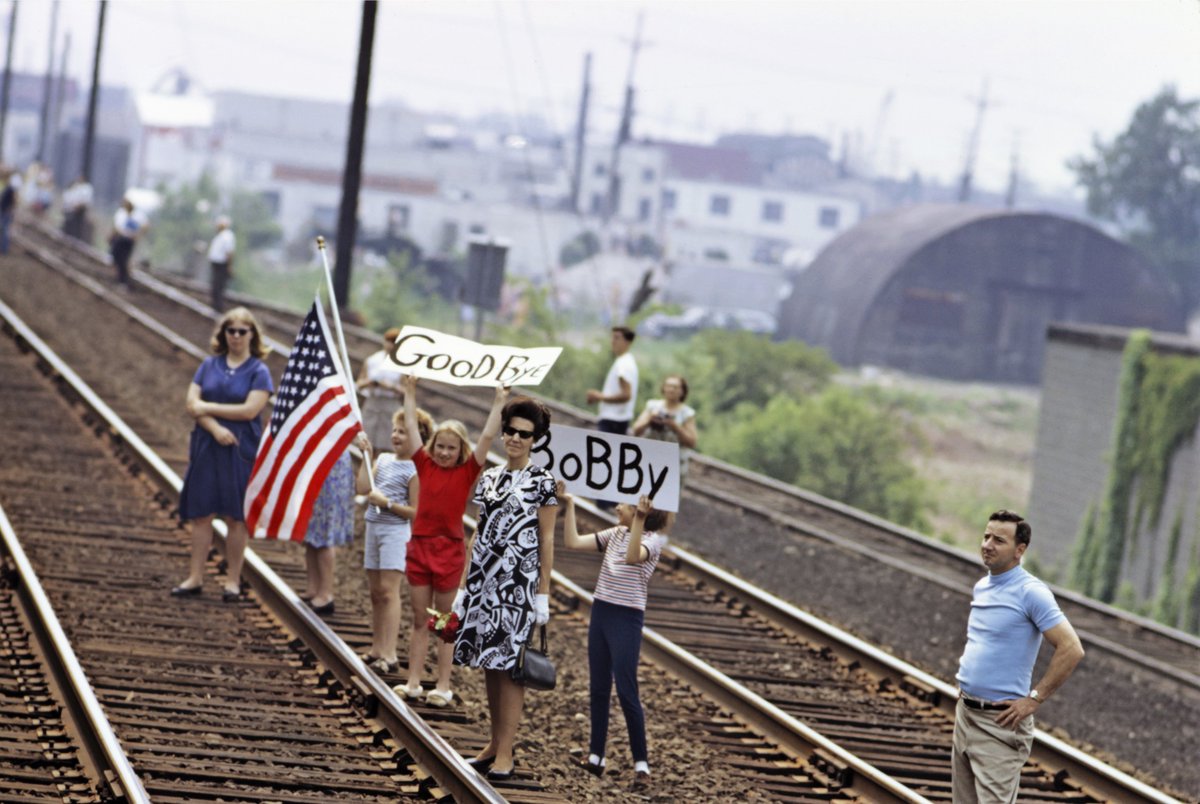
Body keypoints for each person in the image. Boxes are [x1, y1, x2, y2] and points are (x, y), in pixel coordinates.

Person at [452, 396, 559, 782]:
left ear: (535, 439)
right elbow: (478, 532)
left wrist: (543, 593)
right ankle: (494, 743)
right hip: (483, 584)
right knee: (489, 662)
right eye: (510, 431)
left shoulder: (543, 482)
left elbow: (547, 539)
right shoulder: (491, 478)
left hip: (517, 586)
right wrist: (464, 586)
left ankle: (507, 752)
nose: (515, 438)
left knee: (511, 667)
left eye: (524, 434)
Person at [952, 510, 1085, 804]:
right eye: (986, 536)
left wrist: (1034, 699)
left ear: (1019, 550)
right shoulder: (982, 586)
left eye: (999, 540)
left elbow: (1071, 648)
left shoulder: (1031, 592)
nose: (987, 545)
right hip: (966, 714)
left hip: (1000, 722)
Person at [393, 374, 507, 707]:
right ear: (432, 447)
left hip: (449, 551)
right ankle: (413, 681)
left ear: (461, 451)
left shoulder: (467, 471)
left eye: (451, 448)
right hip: (420, 547)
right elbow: (412, 425)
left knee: (444, 623)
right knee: (419, 620)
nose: (444, 452)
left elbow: (487, 436)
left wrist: (499, 401)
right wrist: (409, 391)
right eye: (440, 446)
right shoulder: (424, 464)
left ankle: (443, 686)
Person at [561, 490, 666, 787]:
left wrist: (641, 519)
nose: (617, 507)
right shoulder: (616, 533)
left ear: (638, 511)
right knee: (598, 687)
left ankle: (641, 765)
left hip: (626, 618)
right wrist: (569, 505)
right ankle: (596, 756)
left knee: (626, 690)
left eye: (623, 504)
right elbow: (572, 542)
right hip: (602, 612)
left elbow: (633, 558)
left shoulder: (651, 541)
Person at [172, 308, 273, 601]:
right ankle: (195, 577)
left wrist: (208, 408)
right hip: (207, 445)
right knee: (201, 513)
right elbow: (192, 404)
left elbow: (250, 410)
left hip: (240, 450)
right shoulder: (208, 365)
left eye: (242, 331)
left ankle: (232, 581)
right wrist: (215, 427)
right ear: (223, 334)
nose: (236, 336)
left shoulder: (259, 371)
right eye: (231, 331)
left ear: (252, 335)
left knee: (235, 517)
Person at [355, 406, 433, 673]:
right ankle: (377, 648)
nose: (396, 436)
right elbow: (363, 488)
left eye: (403, 432)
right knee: (376, 592)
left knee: (389, 591)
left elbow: (417, 512)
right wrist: (366, 456)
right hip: (374, 528)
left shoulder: (415, 470)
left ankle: (389, 654)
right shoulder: (384, 459)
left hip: (395, 533)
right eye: (395, 430)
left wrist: (387, 503)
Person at [299, 435, 364, 617]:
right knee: (311, 532)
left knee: (324, 533)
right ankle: (313, 587)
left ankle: (326, 593)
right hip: (314, 463)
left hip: (330, 467)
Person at [631, 374, 698, 486]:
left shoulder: (687, 414)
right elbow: (636, 430)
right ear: (663, 388)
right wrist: (650, 420)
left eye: (675, 387)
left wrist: (674, 426)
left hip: (673, 465)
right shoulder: (652, 406)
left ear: (682, 391)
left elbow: (692, 442)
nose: (671, 390)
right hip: (648, 459)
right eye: (668, 386)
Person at [356, 327, 405, 453]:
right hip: (372, 403)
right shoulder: (372, 360)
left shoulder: (402, 364)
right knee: (366, 444)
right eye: (389, 341)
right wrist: (370, 382)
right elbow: (359, 383)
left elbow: (406, 390)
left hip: (390, 405)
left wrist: (391, 386)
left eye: (394, 342)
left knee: (386, 445)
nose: (391, 345)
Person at [587, 326, 639, 436]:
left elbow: (626, 395)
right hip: (616, 419)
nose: (613, 341)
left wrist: (599, 396)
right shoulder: (624, 361)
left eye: (617, 338)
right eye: (612, 337)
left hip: (614, 419)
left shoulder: (624, 364)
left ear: (627, 341)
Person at [110, 198, 143, 289]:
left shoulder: (136, 215)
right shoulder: (121, 213)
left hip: (127, 240)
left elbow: (144, 226)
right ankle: (121, 279)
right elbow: (117, 227)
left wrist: (137, 235)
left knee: (123, 260)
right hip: (122, 239)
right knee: (118, 258)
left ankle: (123, 280)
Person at [207, 215, 236, 312]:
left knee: (218, 286)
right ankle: (215, 306)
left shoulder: (227, 236)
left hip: (222, 265)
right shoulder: (220, 236)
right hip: (216, 264)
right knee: (215, 285)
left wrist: (229, 266)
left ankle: (218, 307)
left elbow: (229, 252)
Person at [61, 176, 94, 241]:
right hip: (72, 209)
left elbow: (86, 201)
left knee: (77, 226)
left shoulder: (86, 188)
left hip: (79, 209)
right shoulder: (77, 187)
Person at [0, 167, 18, 255]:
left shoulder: (10, 188)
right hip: (4, 211)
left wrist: (10, 210)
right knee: (3, 229)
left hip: (6, 212)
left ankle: (4, 248)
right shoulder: (7, 187)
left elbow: (14, 200)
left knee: (5, 230)